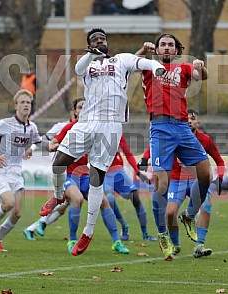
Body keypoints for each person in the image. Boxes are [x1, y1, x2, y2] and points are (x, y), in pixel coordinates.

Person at [50, 28, 165, 256]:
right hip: (86, 122)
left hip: (110, 125)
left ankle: (88, 233)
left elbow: (143, 63)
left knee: (96, 179)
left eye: (103, 38)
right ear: (89, 44)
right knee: (57, 163)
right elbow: (77, 68)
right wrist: (91, 54)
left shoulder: (121, 60)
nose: (100, 41)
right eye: (95, 39)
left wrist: (158, 67)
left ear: (108, 43)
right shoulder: (88, 65)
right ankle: (56, 196)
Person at [135, 34, 212, 259]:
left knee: (206, 174)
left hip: (182, 128)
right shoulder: (149, 67)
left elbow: (201, 76)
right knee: (162, 185)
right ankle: (161, 234)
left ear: (176, 50)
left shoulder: (184, 68)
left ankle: (189, 215)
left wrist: (201, 67)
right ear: (157, 50)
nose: (167, 48)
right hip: (160, 128)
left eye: (171, 45)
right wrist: (142, 50)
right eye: (163, 45)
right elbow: (130, 63)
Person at [23, 98, 129, 254]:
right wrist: (55, 146)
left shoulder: (97, 129)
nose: (84, 109)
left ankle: (116, 242)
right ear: (75, 112)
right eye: (80, 107)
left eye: (87, 106)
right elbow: (52, 143)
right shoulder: (71, 127)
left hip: (84, 175)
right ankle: (72, 240)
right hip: (69, 175)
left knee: (104, 202)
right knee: (77, 199)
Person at [139, 109, 225, 258]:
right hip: (177, 181)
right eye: (187, 118)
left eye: (193, 118)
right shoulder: (172, 135)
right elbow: (156, 145)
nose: (190, 120)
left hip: (195, 180)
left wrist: (221, 177)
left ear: (198, 122)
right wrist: (145, 158)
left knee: (207, 205)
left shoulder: (205, 140)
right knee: (170, 212)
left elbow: (219, 160)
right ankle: (176, 244)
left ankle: (199, 245)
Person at [0, 89, 42, 251]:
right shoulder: (5, 124)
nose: (26, 105)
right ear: (16, 106)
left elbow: (39, 142)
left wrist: (32, 149)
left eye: (28, 103)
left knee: (17, 213)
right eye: (22, 102)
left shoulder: (32, 127)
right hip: (0, 169)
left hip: (16, 172)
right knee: (8, 203)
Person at [104, 134, 156, 241]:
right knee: (109, 199)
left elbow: (128, 154)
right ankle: (123, 224)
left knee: (136, 199)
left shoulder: (116, 131)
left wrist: (138, 173)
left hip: (119, 172)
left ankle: (145, 234)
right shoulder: (93, 130)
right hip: (103, 174)